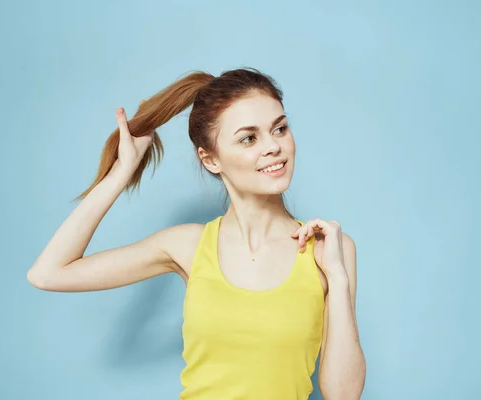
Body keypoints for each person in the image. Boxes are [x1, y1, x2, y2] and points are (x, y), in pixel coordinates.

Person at [27, 67, 366, 399]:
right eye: (249, 138)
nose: (273, 147)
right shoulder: (188, 245)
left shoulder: (329, 250)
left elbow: (344, 394)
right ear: (210, 159)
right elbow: (48, 273)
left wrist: (337, 277)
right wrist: (120, 173)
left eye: (279, 129)